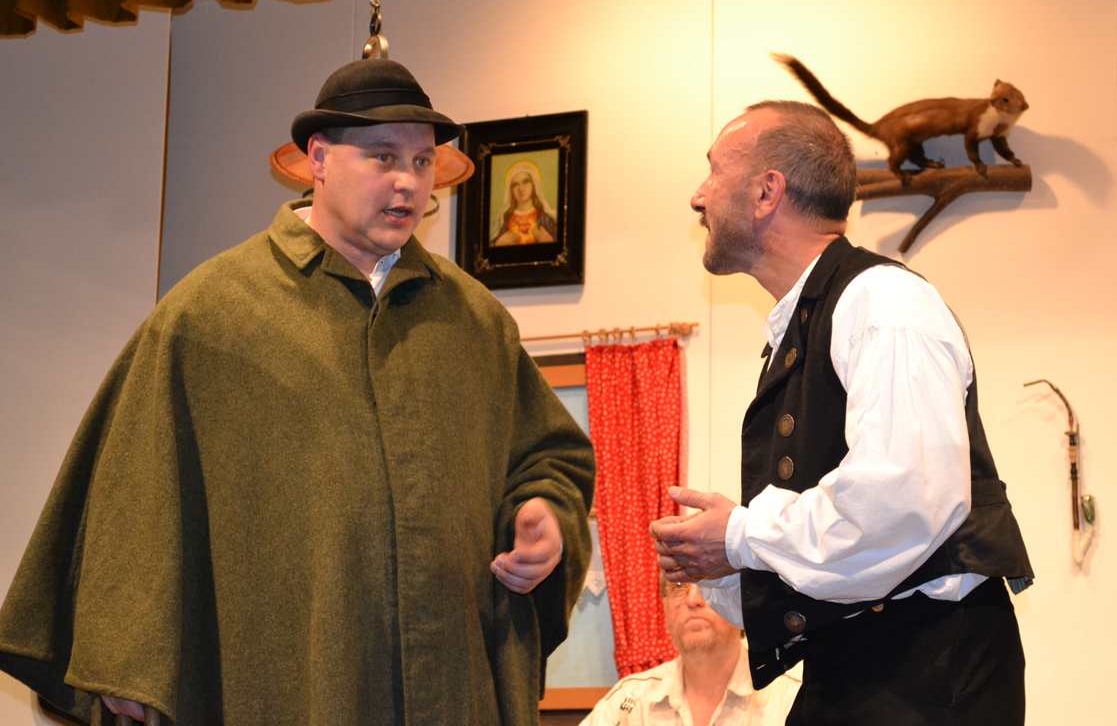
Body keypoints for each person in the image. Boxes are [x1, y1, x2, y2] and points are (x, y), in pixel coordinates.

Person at [0, 59, 595, 725]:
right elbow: (136, 487)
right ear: (318, 158)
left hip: (451, 690)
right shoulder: (215, 312)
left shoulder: (473, 321)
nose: (406, 181)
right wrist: (128, 657)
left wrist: (546, 514)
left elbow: (549, 457)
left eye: (422, 161)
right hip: (278, 687)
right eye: (382, 156)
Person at [650, 100, 1033, 725]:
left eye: (715, 171)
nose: (699, 195)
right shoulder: (811, 321)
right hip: (860, 668)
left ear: (766, 192)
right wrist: (721, 560)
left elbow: (900, 503)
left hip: (925, 674)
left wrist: (742, 535)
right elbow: (843, 559)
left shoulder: (883, 303)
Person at [581, 576, 799, 725]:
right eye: (678, 586)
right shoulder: (629, 703)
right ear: (664, 605)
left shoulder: (791, 698)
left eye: (711, 584)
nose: (693, 600)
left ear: (741, 601)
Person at [492, 160, 558, 246]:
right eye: (515, 184)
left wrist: (547, 241)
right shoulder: (504, 218)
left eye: (525, 182)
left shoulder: (544, 217)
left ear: (533, 185)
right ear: (510, 190)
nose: (521, 188)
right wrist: (500, 243)